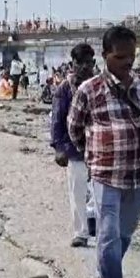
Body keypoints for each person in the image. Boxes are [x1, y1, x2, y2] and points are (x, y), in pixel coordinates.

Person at [68, 26, 140, 278]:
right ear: (105, 55)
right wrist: (94, 154)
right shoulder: (88, 90)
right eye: (120, 57)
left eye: (131, 57)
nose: (127, 62)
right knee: (107, 233)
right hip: (105, 174)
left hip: (139, 174)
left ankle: (108, 269)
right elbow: (74, 129)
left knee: (125, 233)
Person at [50, 43, 98, 248]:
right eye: (81, 63)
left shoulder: (100, 85)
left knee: (99, 191)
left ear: (94, 63)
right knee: (77, 190)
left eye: (89, 62)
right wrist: (58, 147)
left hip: (98, 147)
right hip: (75, 148)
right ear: (73, 64)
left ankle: (97, 225)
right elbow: (57, 119)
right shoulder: (65, 88)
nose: (85, 67)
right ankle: (81, 232)